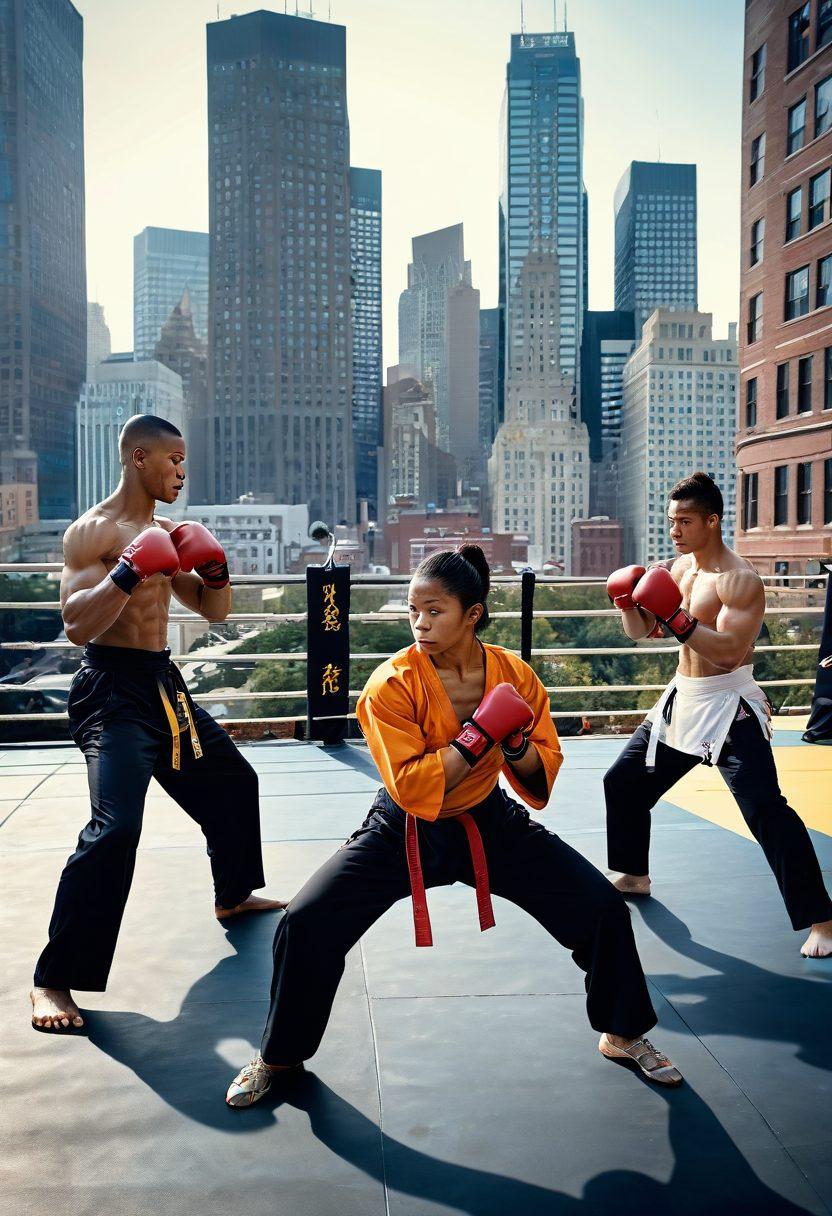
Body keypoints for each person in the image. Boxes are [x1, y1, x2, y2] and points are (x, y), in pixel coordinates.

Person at [225, 545, 682, 1107]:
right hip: (403, 828)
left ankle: (623, 1032)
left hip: (489, 818)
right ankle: (278, 1055)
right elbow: (412, 786)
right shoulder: (392, 684)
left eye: (434, 611)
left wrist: (514, 743)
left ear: (473, 614)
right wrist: (478, 735)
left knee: (602, 909)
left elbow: (539, 780)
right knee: (306, 922)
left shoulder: (514, 676)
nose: (419, 623)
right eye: (413, 610)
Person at [30, 414, 285, 1033]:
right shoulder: (93, 532)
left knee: (233, 782)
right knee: (115, 829)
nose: (181, 471)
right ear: (139, 458)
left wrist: (216, 569)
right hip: (111, 693)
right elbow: (76, 626)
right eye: (173, 459)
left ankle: (233, 895)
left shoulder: (168, 534)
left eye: (184, 461)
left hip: (162, 684)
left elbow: (214, 612)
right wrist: (128, 571)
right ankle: (52, 978)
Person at [604, 471, 832, 959]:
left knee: (766, 811)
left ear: (712, 521)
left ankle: (824, 920)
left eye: (685, 521)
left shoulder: (739, 580)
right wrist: (626, 603)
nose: (675, 531)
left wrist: (678, 618)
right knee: (622, 783)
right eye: (671, 521)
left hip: (729, 705)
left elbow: (728, 652)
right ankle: (634, 874)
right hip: (683, 697)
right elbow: (643, 632)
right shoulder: (678, 569)